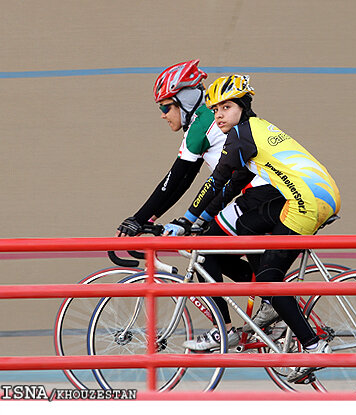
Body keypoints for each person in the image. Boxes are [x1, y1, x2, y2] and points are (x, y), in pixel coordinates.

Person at [181, 74, 341, 383]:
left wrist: (187, 220)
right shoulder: (255, 129)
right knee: (246, 222)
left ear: (241, 106)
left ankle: (313, 344)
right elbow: (236, 181)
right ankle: (269, 301)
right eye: (214, 110)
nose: (218, 116)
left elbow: (217, 180)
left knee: (270, 279)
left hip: (307, 204)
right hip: (315, 196)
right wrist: (204, 218)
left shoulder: (241, 135)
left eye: (225, 108)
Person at [116, 60, 280, 350]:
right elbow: (184, 182)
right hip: (254, 195)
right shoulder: (203, 123)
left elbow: (176, 177)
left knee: (202, 249)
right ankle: (272, 305)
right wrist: (150, 218)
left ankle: (226, 329)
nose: (163, 115)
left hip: (257, 195)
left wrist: (139, 218)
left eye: (165, 107)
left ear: (184, 100)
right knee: (216, 253)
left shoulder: (203, 122)